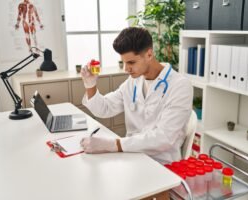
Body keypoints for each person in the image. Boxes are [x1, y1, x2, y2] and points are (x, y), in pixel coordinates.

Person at [80, 27, 193, 164]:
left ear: (149, 55)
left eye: (131, 62)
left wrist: (112, 145)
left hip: (163, 164)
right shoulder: (133, 81)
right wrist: (90, 84)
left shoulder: (180, 86)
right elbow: (105, 109)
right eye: (124, 62)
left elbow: (164, 138)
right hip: (132, 158)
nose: (126, 69)